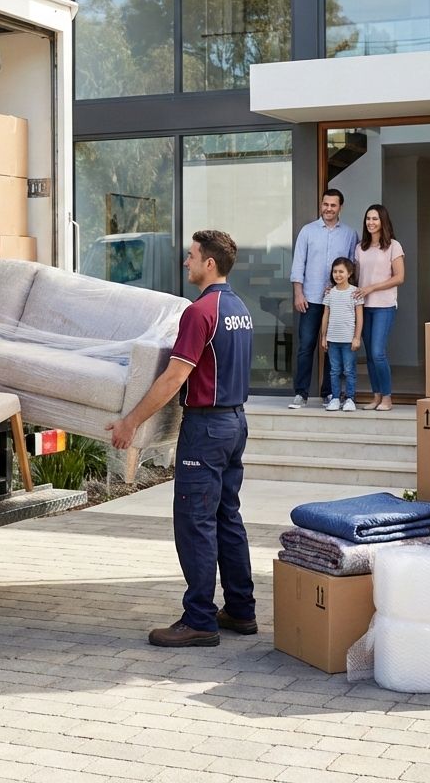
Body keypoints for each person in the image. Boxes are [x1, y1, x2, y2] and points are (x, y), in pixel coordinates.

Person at [107, 230, 256, 646]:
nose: (185, 262)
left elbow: (174, 377)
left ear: (209, 263)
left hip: (206, 428)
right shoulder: (239, 308)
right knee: (228, 516)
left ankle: (199, 621)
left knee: (195, 521)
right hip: (235, 422)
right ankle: (242, 610)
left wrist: (131, 421)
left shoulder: (199, 312)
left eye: (191, 256)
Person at [288, 189, 359, 409]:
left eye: (333, 205)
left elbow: (351, 268)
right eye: (325, 204)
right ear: (321, 205)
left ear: (340, 208)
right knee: (306, 346)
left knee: (334, 347)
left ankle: (330, 393)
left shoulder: (349, 234)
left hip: (337, 301)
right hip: (310, 298)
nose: (328, 208)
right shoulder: (307, 232)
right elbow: (299, 263)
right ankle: (301, 393)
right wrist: (298, 293)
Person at [354, 204, 405, 411]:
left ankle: (387, 397)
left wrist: (372, 287)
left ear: (383, 221)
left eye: (375, 218)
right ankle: (376, 397)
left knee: (377, 352)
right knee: (369, 354)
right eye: (368, 218)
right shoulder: (360, 247)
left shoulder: (394, 246)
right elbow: (356, 278)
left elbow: (400, 277)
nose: (371, 222)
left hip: (384, 306)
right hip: (363, 307)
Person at [320, 257, 364, 413]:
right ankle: (335, 398)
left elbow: (359, 317)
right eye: (335, 271)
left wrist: (357, 337)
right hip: (333, 339)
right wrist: (324, 337)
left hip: (348, 340)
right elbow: (326, 315)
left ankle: (350, 398)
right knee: (334, 370)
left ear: (349, 273)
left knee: (349, 370)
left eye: (341, 272)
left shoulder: (355, 293)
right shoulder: (330, 293)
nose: (337, 275)